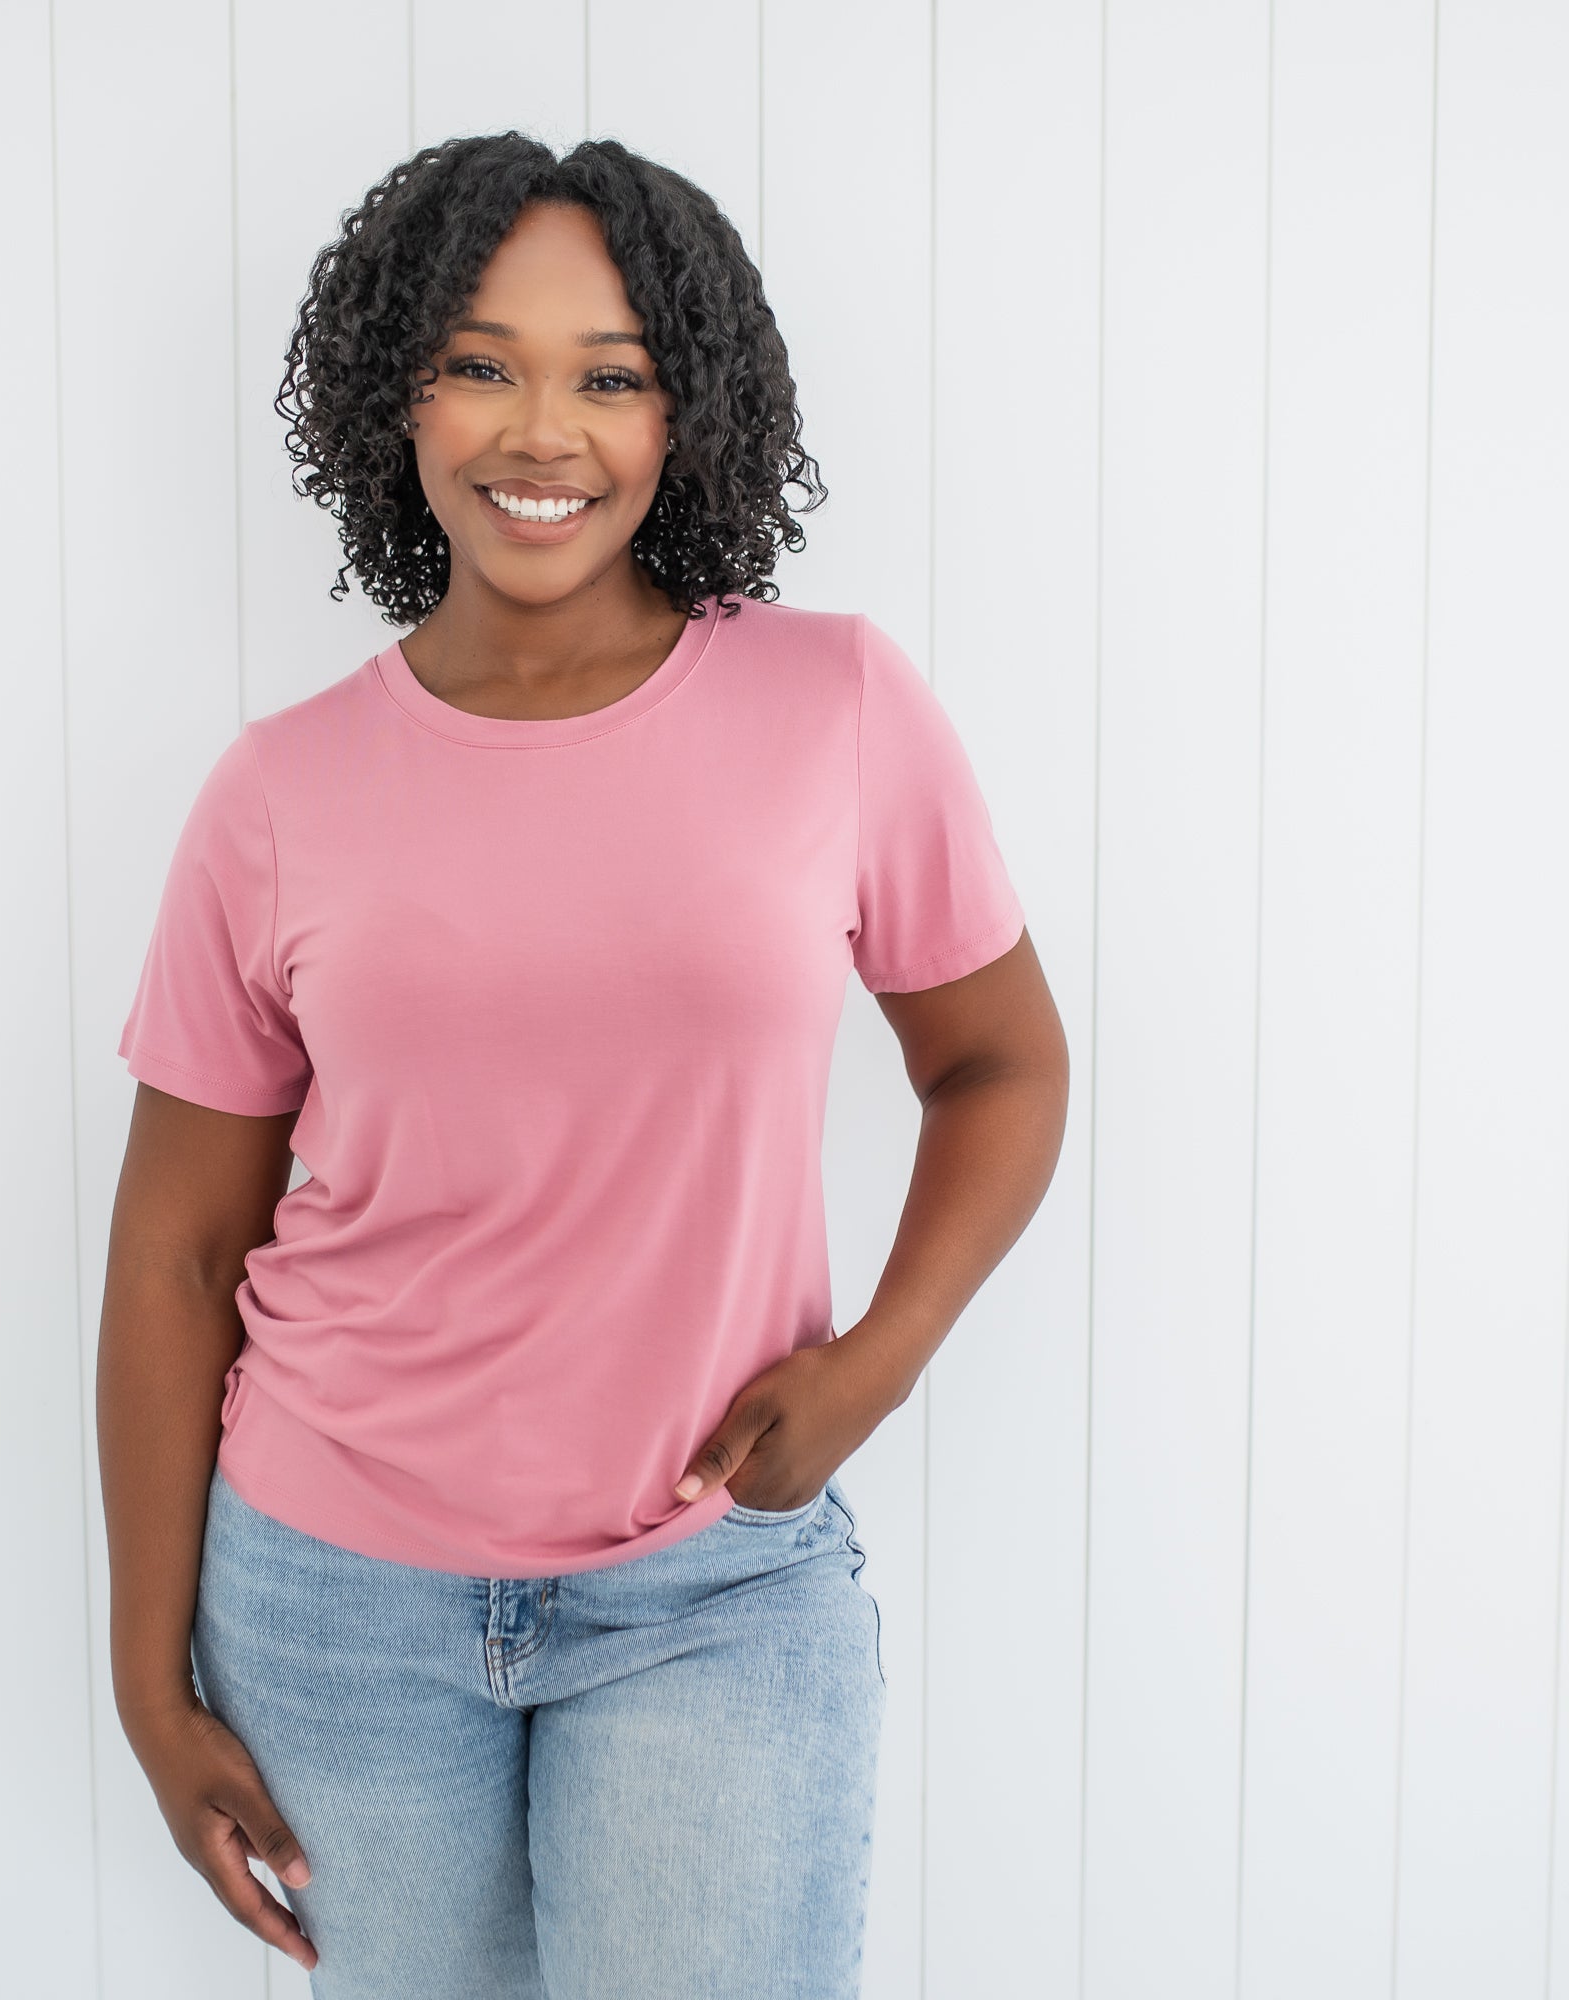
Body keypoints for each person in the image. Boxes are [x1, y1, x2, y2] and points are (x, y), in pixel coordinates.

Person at [97, 132, 1069, 1998]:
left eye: (609, 374)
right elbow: (173, 1257)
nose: (542, 430)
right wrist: (151, 1689)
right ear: (399, 395)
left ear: (686, 409)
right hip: (331, 1596)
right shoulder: (278, 792)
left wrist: (876, 1363)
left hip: (711, 1589)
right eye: (482, 362)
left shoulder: (834, 706)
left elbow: (1003, 1067)